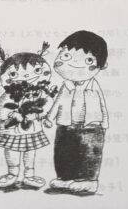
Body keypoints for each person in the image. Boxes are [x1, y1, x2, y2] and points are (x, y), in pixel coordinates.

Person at [46, 30, 109, 196]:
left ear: (102, 65)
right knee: (63, 151)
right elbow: (58, 102)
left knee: (89, 154)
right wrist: (49, 117)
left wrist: (104, 122)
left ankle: (88, 180)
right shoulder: (66, 86)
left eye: (88, 60)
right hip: (65, 125)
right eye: (66, 55)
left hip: (90, 127)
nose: (74, 64)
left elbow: (101, 104)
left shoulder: (94, 86)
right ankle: (64, 178)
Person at [0, 44, 57, 190]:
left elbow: (48, 104)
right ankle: (12, 174)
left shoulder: (40, 92)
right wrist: (12, 114)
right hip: (11, 132)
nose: (27, 76)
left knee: (30, 153)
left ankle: (29, 175)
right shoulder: (9, 94)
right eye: (14, 74)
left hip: (32, 131)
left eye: (37, 70)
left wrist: (40, 114)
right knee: (12, 153)